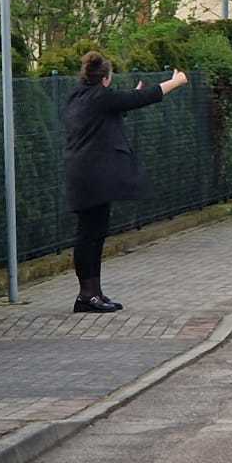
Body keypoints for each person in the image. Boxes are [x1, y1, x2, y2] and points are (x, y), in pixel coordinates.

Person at [63, 51, 189, 313]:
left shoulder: (80, 96)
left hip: (83, 175)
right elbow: (140, 98)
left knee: (94, 234)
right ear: (106, 79)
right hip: (92, 176)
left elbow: (107, 114)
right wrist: (176, 81)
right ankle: (86, 296)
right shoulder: (100, 97)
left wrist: (128, 96)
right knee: (88, 236)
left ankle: (94, 293)